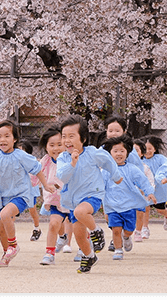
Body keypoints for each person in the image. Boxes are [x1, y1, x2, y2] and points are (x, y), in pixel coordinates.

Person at [0, 120, 54, 267]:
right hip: (1, 197)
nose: (2, 140)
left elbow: (37, 168)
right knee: (1, 228)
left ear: (14, 139)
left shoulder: (20, 155)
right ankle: (7, 253)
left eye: (7, 136)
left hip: (20, 195)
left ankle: (13, 245)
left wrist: (45, 185)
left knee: (5, 215)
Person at [57, 115, 122, 273]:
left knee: (81, 211)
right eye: (64, 136)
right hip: (73, 200)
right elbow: (62, 176)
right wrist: (72, 163)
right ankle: (89, 255)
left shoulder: (93, 153)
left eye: (71, 136)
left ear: (83, 138)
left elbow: (107, 160)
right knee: (79, 235)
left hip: (92, 196)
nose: (67, 140)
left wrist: (116, 176)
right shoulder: (63, 157)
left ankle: (96, 231)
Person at [102, 135, 156, 260]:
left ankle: (126, 237)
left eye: (122, 151)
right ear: (110, 153)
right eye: (115, 151)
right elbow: (99, 186)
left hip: (129, 206)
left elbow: (143, 181)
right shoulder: (105, 171)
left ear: (127, 152)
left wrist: (149, 192)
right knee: (116, 230)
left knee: (128, 230)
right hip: (112, 206)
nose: (118, 154)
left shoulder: (132, 169)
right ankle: (118, 250)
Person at [36, 127, 69, 265]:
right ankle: (50, 253)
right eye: (52, 145)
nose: (56, 148)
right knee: (54, 224)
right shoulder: (45, 161)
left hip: (73, 200)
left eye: (59, 144)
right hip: (55, 200)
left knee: (80, 226)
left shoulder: (70, 159)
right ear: (46, 147)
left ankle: (85, 250)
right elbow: (35, 173)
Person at [139, 136, 167, 235]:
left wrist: (166, 177)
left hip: (159, 190)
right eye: (145, 149)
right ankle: (144, 228)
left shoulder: (160, 159)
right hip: (145, 189)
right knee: (145, 207)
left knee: (160, 210)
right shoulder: (140, 160)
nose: (148, 151)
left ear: (155, 149)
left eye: (150, 148)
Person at [19, 139, 43, 241]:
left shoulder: (32, 161)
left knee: (32, 210)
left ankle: (37, 229)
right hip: (17, 190)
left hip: (30, 189)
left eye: (21, 151)